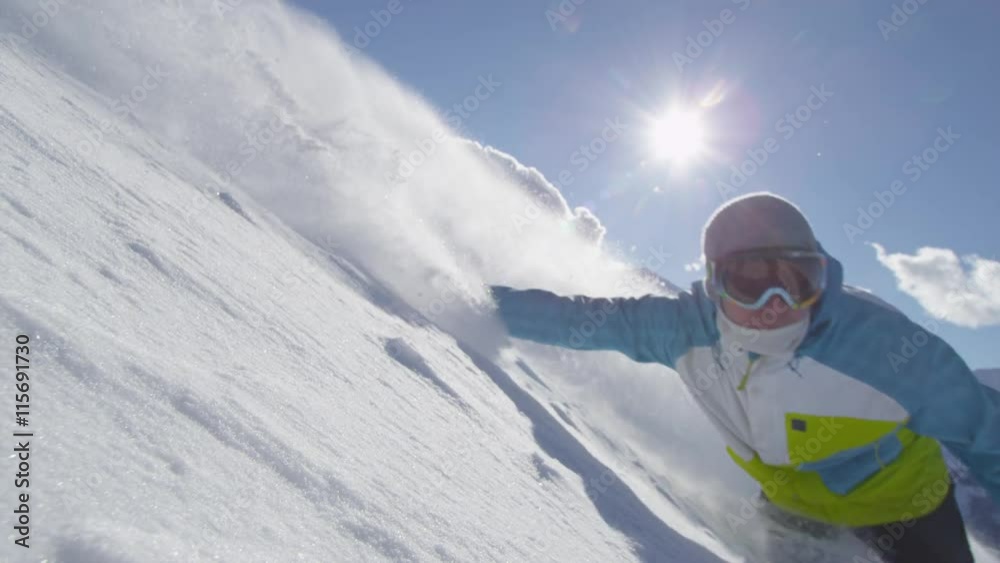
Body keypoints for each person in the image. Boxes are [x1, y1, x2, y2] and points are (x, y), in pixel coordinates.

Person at [489, 192, 998, 563]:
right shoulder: (683, 330)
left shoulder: (886, 351)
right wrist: (468, 301)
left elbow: (989, 437)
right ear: (713, 283)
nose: (775, 306)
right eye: (750, 282)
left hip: (907, 509)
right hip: (791, 508)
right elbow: (580, 320)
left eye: (798, 281)